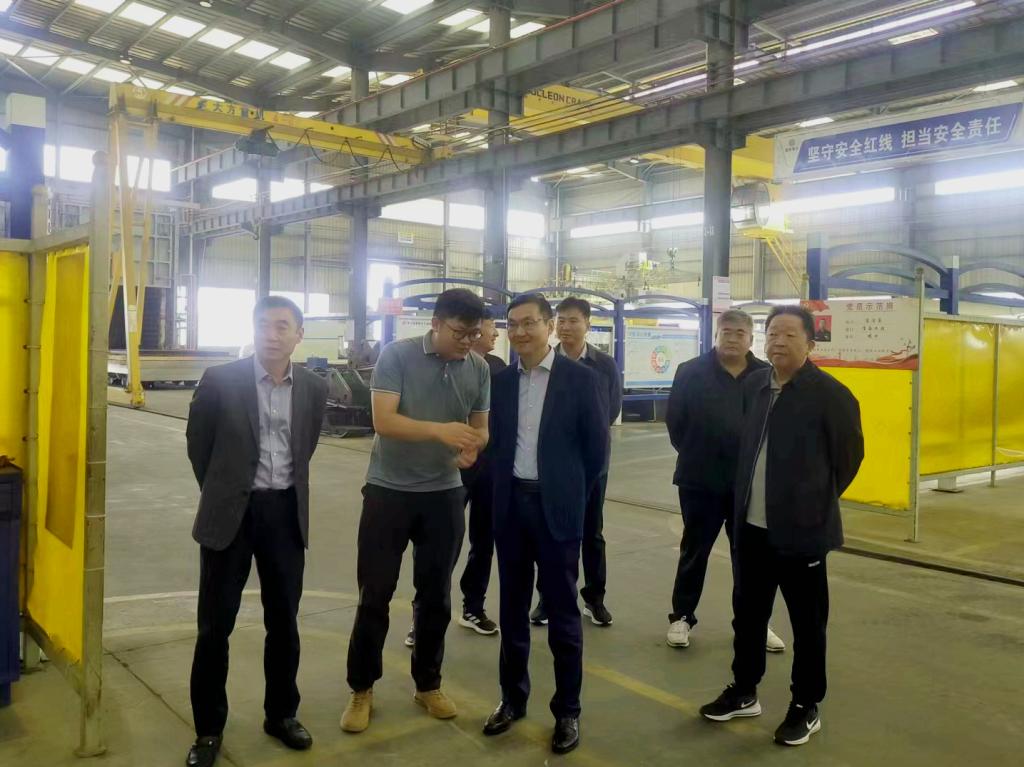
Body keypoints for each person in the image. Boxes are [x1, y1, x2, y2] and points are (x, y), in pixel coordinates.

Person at [700, 305, 864, 748]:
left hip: (801, 534)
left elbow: (849, 459)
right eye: (773, 332)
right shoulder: (756, 385)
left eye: (790, 334)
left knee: (807, 626)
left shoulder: (831, 395)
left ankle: (805, 705)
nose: (778, 341)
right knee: (748, 615)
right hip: (751, 529)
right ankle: (744, 690)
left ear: (810, 343)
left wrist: (811, 503)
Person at [184, 296, 328, 767]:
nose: (272, 333)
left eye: (283, 325)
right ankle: (208, 730)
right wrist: (225, 491)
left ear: (298, 335)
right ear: (253, 329)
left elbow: (304, 446)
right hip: (230, 516)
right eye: (264, 324)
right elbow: (198, 445)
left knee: (284, 622)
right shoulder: (220, 380)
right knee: (214, 627)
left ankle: (281, 714)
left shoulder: (313, 387)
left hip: (285, 514)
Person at [340, 289, 491, 734]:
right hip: (389, 492)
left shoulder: (479, 368)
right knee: (375, 593)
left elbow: (481, 428)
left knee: (436, 596)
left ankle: (428, 684)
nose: (468, 342)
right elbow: (384, 421)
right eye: (461, 333)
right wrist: (440, 432)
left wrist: (473, 446)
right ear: (436, 324)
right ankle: (362, 688)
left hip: (444, 496)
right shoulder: (397, 356)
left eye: (475, 334)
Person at [482, 294, 608, 755]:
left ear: (549, 325)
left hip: (556, 511)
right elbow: (495, 444)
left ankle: (567, 711)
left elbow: (596, 453)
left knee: (563, 615)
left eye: (529, 323)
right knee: (512, 609)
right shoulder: (501, 382)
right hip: (511, 508)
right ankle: (512, 699)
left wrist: (568, 493)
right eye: (512, 324)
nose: (519, 332)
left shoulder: (581, 380)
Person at [664, 309, 785, 653]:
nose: (732, 338)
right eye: (726, 332)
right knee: (694, 551)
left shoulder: (765, 374)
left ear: (751, 338)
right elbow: (676, 423)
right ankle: (682, 616)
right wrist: (699, 452)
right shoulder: (690, 372)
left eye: (740, 333)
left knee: (750, 558)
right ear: (716, 334)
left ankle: (753, 623)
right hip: (699, 480)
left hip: (749, 486)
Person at [530, 297, 622, 628]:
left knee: (592, 531)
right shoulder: (544, 360)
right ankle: (548, 598)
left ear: (588, 324)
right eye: (562, 321)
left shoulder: (604, 365)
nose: (566, 327)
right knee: (551, 532)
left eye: (573, 320)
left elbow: (610, 410)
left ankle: (594, 599)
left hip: (592, 463)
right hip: (553, 464)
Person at [458, 310, 508, 635]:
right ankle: (424, 617)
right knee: (441, 542)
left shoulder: (499, 368)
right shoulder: (451, 366)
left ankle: (473, 606)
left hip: (489, 469)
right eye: (492, 328)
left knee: (483, 540)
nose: (497, 335)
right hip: (453, 467)